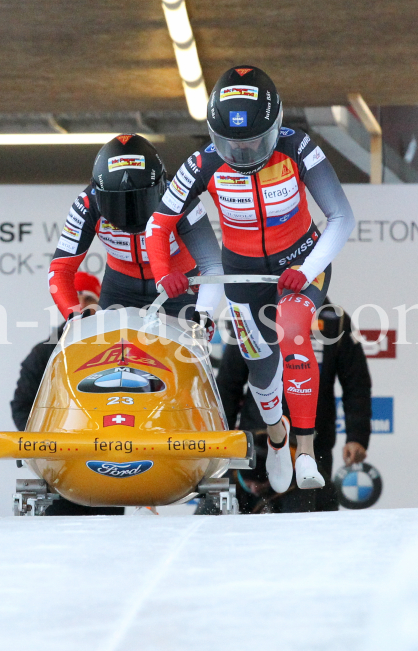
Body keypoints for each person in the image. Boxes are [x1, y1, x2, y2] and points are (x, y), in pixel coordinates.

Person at [146, 65, 355, 494]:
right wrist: (164, 272)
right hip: (242, 275)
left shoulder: (299, 148)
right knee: (261, 368)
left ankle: (305, 450)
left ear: (275, 128)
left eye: (254, 143)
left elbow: (341, 217)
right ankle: (276, 438)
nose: (241, 154)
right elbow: (158, 225)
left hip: (300, 266)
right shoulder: (201, 163)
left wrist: (307, 269)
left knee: (295, 331)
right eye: (231, 145)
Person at [47, 134, 223, 321]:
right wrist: (74, 317)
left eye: (143, 200)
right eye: (116, 204)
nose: (129, 214)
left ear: (161, 187)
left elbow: (212, 265)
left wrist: (204, 316)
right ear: (99, 195)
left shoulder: (180, 195)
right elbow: (59, 271)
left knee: (183, 345)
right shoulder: (86, 205)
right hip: (120, 291)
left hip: (176, 289)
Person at [217, 301, 371, 511]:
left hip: (315, 446)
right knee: (242, 524)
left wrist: (357, 437)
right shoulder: (255, 314)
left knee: (312, 523)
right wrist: (220, 436)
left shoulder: (335, 320)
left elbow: (356, 384)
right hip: (258, 443)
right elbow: (228, 383)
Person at [11, 273, 123, 516]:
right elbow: (22, 406)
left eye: (89, 297)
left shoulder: (119, 351)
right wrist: (42, 450)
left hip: (110, 472)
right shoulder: (44, 353)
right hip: (59, 473)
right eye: (77, 296)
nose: (82, 303)